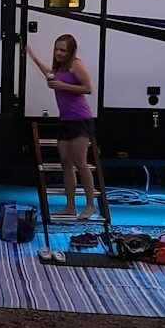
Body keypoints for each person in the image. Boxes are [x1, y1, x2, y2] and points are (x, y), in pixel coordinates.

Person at [26, 33, 98, 220]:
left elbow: (88, 88)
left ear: (71, 51)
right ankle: (70, 205)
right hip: (65, 119)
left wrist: (63, 86)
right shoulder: (60, 66)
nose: (58, 53)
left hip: (80, 119)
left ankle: (90, 205)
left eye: (62, 50)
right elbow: (50, 75)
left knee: (80, 162)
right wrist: (33, 57)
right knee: (65, 162)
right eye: (56, 49)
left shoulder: (76, 64)